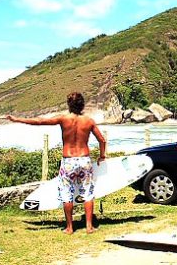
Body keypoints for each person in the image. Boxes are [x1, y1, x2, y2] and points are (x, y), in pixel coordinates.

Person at [7, 92, 106, 234]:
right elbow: (102, 140)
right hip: (84, 160)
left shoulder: (63, 119)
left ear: (69, 105)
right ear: (82, 104)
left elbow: (40, 122)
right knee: (88, 193)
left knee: (67, 194)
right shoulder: (89, 121)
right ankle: (89, 227)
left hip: (68, 162)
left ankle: (70, 228)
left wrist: (17, 119)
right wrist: (102, 156)